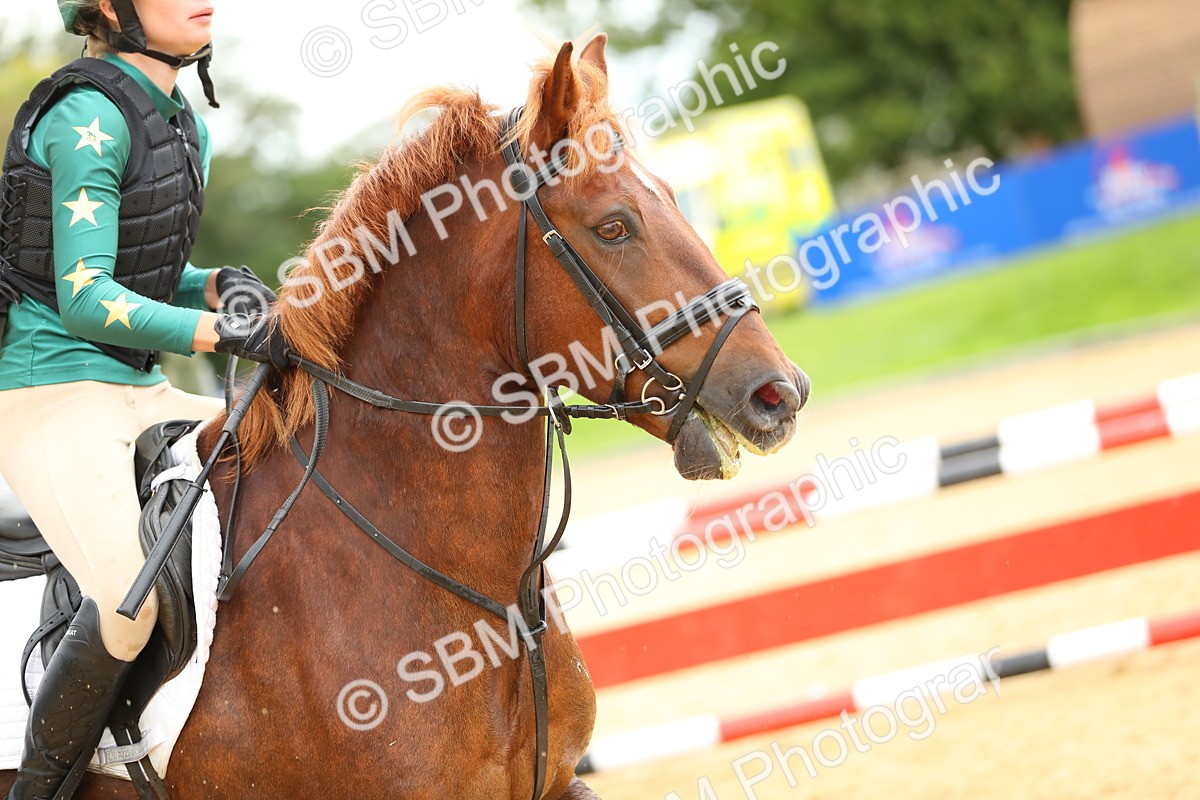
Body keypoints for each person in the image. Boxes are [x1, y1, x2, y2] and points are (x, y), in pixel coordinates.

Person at [0, 2, 292, 798]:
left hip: (139, 389)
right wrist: (220, 331)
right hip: (50, 394)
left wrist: (217, 285)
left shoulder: (178, 119)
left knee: (298, 460)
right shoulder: (85, 115)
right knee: (126, 598)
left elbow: (146, 273)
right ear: (108, 9)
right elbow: (86, 298)